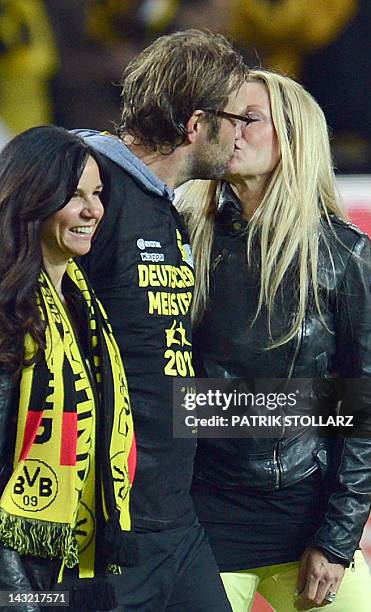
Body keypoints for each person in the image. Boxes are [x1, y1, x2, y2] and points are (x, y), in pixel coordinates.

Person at [179, 69, 371, 611]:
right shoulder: (182, 235)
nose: (233, 132)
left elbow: (362, 410)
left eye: (249, 119)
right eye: (226, 119)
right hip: (201, 520)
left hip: (305, 519)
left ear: (293, 137)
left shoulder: (343, 253)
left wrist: (338, 540)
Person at [75, 28, 248, 611]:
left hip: (174, 520)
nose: (241, 134)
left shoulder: (160, 207)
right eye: (236, 117)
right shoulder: (89, 188)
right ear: (198, 125)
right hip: (107, 525)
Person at [0, 126, 136, 611]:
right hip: (22, 579)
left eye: (96, 195)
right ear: (32, 199)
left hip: (80, 567)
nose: (92, 211)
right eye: (74, 196)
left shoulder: (85, 306)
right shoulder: (8, 311)